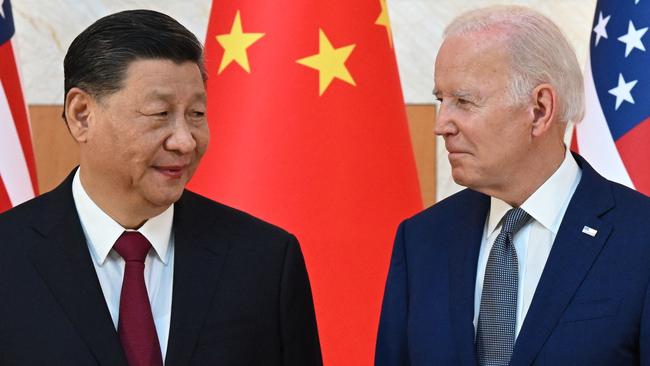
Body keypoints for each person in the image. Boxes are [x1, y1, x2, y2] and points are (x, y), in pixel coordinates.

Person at [0, 10, 322, 366]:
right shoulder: (8, 255)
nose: (185, 141)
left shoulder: (264, 260)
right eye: (159, 113)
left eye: (197, 114)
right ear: (81, 114)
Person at [376, 5, 650, 366]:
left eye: (464, 101)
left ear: (539, 109)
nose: (441, 125)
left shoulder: (640, 238)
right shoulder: (422, 240)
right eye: (441, 100)